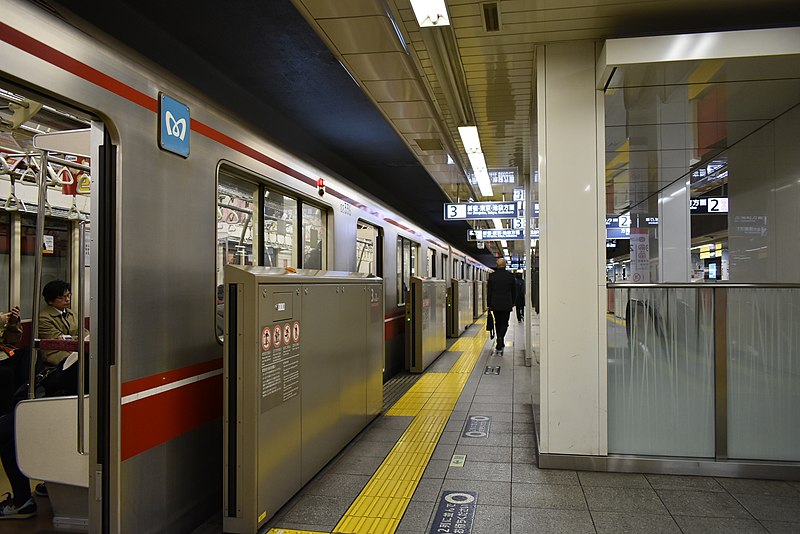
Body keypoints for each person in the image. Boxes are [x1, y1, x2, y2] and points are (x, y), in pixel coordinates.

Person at [38, 280, 83, 366]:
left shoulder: (71, 313)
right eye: (61, 297)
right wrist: (79, 339)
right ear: (50, 301)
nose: (67, 299)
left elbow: (83, 331)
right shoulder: (44, 317)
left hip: (75, 348)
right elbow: (58, 340)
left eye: (68, 295)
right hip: (56, 352)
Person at [487, 257, 516, 353]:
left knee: (497, 322)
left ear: (497, 265)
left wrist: (489, 303)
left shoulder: (492, 276)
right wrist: (513, 302)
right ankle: (500, 338)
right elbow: (513, 291)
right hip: (506, 303)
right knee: (505, 323)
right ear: (505, 265)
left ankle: (499, 339)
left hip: (495, 304)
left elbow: (489, 291)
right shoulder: (511, 276)